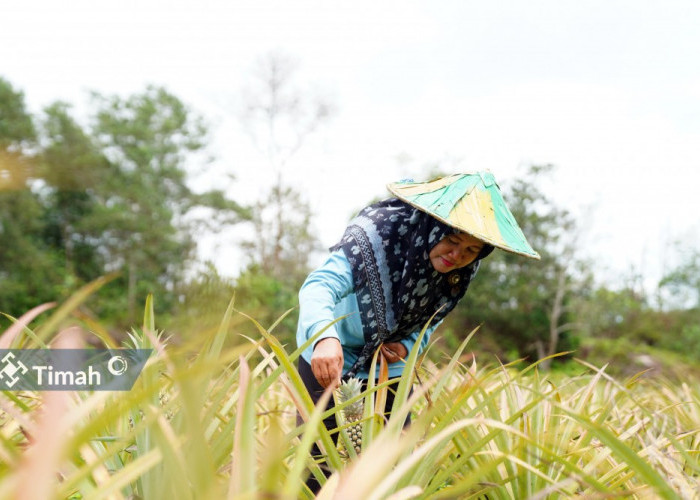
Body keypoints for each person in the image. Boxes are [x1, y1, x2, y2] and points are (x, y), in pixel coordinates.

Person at [295, 171, 539, 489]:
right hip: (329, 349)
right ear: (430, 226)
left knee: (392, 457)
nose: (457, 256)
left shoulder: (461, 270)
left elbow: (432, 317)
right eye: (451, 241)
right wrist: (325, 337)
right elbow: (320, 285)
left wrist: (409, 344)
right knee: (316, 457)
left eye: (470, 250)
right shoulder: (378, 232)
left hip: (386, 362)